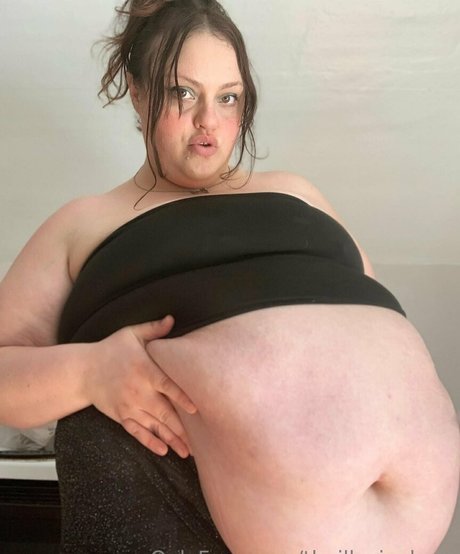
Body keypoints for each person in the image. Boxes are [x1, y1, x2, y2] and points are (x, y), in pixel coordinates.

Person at [0, 0, 459, 552]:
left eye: (228, 97)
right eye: (183, 92)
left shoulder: (296, 191)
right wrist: (90, 371)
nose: (208, 122)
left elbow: (370, 324)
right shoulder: (85, 223)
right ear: (138, 92)